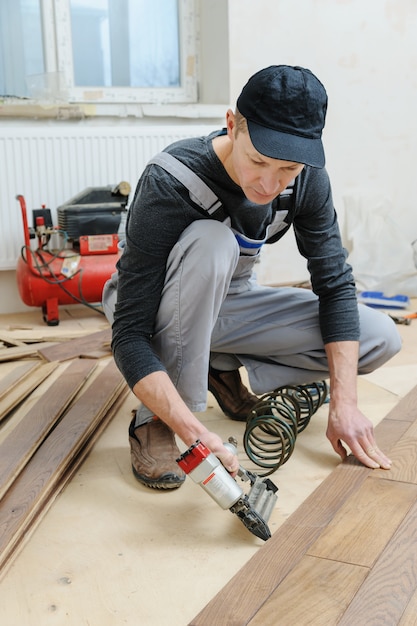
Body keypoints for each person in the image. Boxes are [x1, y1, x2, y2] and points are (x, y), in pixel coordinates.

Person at [102, 65, 401, 490]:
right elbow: (129, 332)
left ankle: (216, 364)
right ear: (231, 125)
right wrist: (196, 435)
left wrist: (345, 405)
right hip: (148, 309)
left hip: (228, 303)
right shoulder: (171, 180)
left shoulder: (308, 179)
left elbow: (334, 286)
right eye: (258, 160)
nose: (268, 183)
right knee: (213, 241)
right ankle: (156, 418)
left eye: (287, 170)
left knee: (379, 336)